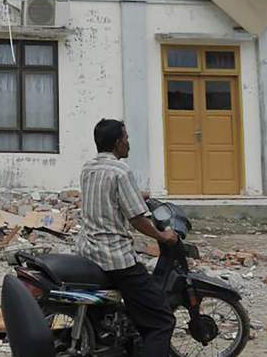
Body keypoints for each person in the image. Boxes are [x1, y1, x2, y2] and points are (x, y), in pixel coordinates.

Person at [75, 118, 177, 357]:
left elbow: (105, 198)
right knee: (162, 320)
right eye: (127, 138)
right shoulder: (121, 171)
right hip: (115, 257)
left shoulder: (89, 168)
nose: (129, 143)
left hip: (88, 251)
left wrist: (136, 194)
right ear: (118, 143)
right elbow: (137, 220)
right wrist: (162, 236)